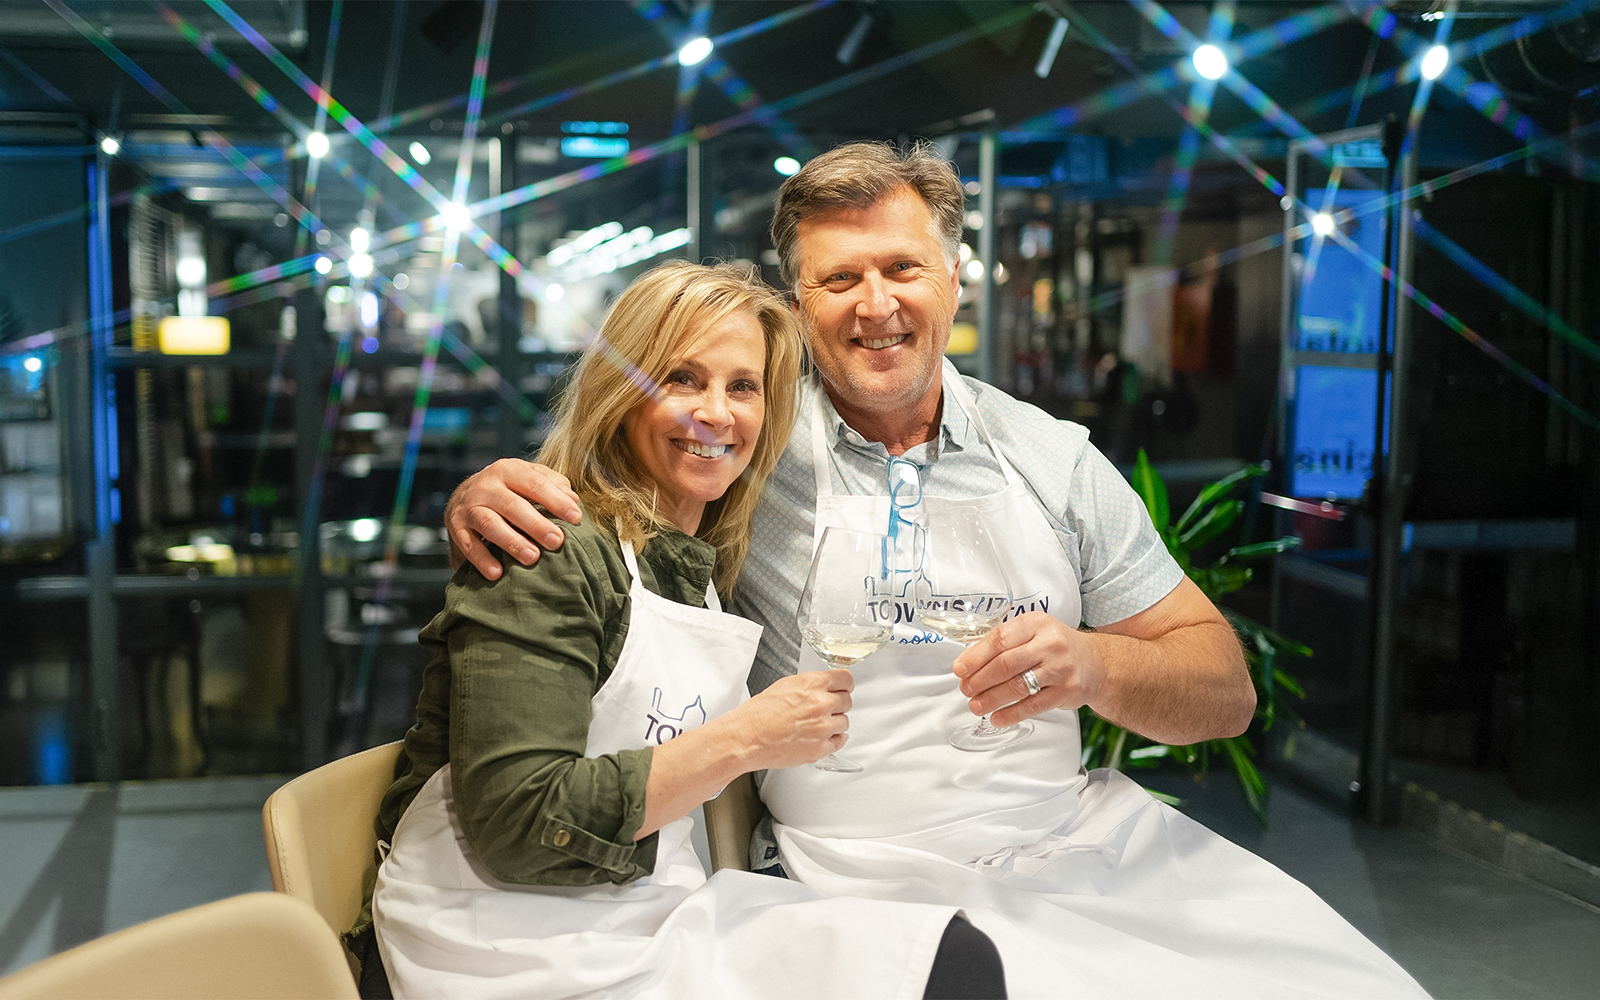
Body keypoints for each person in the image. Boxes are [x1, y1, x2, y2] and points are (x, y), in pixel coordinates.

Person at [445, 144, 1429, 998]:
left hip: (1072, 842)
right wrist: (486, 488)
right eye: (839, 280)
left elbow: (1224, 691)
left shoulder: (1053, 461)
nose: (876, 305)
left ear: (956, 277)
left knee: (1319, 974)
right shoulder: (745, 449)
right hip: (854, 876)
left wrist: (1093, 666)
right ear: (798, 303)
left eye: (902, 268)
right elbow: (611, 490)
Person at [359, 261, 1000, 1000]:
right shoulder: (547, 550)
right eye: (682, 379)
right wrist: (747, 739)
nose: (717, 413)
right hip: (497, 945)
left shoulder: (698, 558)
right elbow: (519, 822)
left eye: (743, 386)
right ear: (620, 395)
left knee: (948, 956)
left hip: (643, 915)